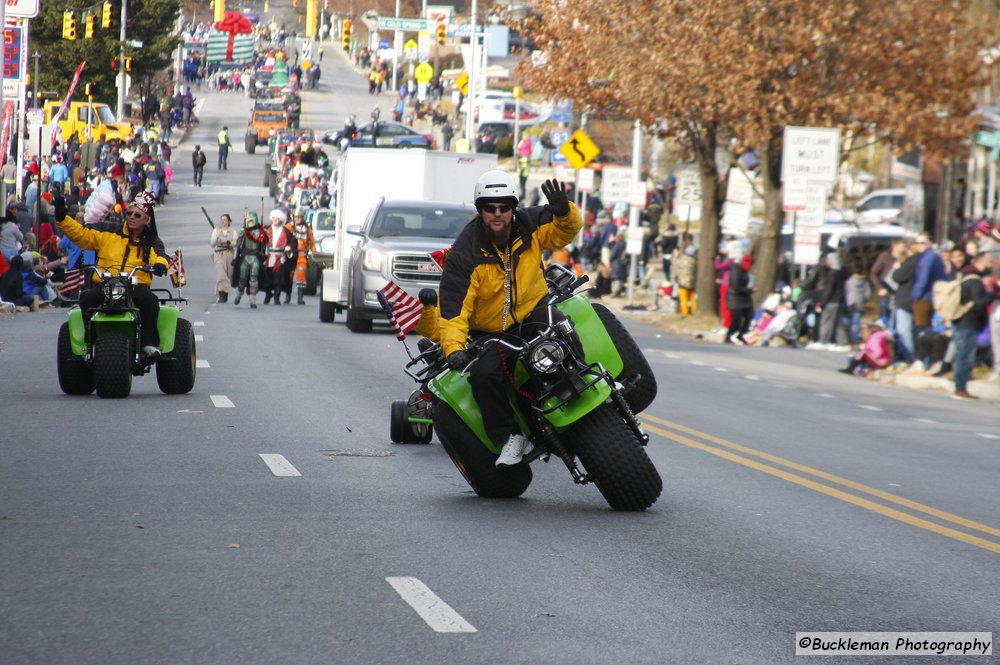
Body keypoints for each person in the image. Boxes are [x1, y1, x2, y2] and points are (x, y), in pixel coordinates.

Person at [438, 173, 582, 467]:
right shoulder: (464, 253)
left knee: (562, 326)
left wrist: (564, 210)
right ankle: (511, 437)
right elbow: (453, 310)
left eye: (504, 207)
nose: (498, 213)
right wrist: (453, 350)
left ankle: (586, 383)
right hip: (493, 334)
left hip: (533, 311)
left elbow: (563, 234)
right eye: (490, 207)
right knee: (482, 377)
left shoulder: (530, 223)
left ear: (514, 207)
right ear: (480, 210)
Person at [54, 191, 170, 360]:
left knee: (150, 301)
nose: (131, 217)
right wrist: (61, 217)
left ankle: (148, 343)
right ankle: (89, 343)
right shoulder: (107, 231)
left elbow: (160, 256)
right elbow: (81, 234)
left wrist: (160, 265)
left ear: (146, 220)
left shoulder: (151, 241)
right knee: (86, 299)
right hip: (106, 285)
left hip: (136, 286)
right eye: (129, 213)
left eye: (137, 215)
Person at [951, 248, 998, 399]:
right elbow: (979, 303)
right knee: (965, 356)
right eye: (988, 261)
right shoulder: (975, 281)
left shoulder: (965, 277)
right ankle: (960, 388)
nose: (990, 264)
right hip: (968, 323)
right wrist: (993, 293)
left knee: (961, 355)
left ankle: (959, 386)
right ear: (980, 262)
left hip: (961, 321)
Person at [233, 212, 266, 309]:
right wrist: (240, 236)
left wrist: (264, 234)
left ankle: (253, 300)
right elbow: (237, 243)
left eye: (250, 221)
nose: (249, 223)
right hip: (245, 257)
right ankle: (238, 296)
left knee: (254, 279)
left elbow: (264, 243)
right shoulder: (243, 231)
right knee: (242, 279)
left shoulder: (261, 231)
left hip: (255, 257)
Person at [262, 209, 293, 305]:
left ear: (281, 220)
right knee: (267, 277)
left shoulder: (286, 232)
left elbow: (293, 241)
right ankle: (268, 294)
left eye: (277, 218)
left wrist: (289, 246)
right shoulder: (266, 230)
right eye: (274, 218)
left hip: (280, 257)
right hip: (269, 256)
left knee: (278, 278)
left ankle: (276, 296)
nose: (275, 220)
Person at [724, 253, 754, 344]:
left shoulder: (745, 272)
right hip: (735, 298)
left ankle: (741, 334)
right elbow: (735, 287)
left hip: (744, 299)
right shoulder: (736, 270)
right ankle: (729, 335)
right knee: (736, 319)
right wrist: (749, 290)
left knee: (749, 316)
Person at [210, 213, 237, 303]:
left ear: (229, 221)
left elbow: (235, 243)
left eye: (225, 220)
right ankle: (220, 293)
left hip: (228, 254)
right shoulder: (216, 231)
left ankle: (224, 294)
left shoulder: (233, 231)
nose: (223, 221)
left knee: (228, 275)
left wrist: (227, 242)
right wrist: (217, 238)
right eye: (222, 220)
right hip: (219, 254)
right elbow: (212, 244)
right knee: (221, 274)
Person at [291, 207, 315, 304]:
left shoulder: (307, 229)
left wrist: (314, 251)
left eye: (299, 217)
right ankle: (287, 295)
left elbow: (311, 241)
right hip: (291, 254)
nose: (298, 219)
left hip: (301, 254)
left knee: (301, 273)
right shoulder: (289, 227)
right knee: (289, 274)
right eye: (296, 217)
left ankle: (300, 297)